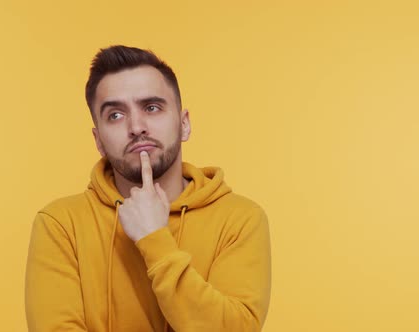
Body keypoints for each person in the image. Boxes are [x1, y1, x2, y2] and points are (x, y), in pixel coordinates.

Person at [25, 45, 271, 332]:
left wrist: (154, 239)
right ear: (99, 141)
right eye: (115, 115)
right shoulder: (60, 224)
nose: (136, 126)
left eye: (151, 107)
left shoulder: (241, 219)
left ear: (184, 124)